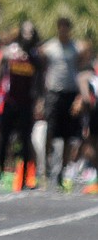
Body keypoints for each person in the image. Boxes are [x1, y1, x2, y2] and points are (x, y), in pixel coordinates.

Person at [0, 21, 42, 185]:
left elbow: (40, 80)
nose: (28, 35)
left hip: (27, 102)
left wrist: (39, 101)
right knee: (3, 137)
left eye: (31, 32)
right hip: (9, 101)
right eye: (25, 32)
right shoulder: (9, 53)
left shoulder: (35, 57)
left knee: (25, 140)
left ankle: (26, 176)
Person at [40, 17, 85, 187]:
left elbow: (80, 70)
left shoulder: (75, 49)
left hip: (70, 93)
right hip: (54, 93)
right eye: (61, 28)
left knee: (68, 135)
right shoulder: (50, 48)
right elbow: (42, 69)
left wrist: (79, 97)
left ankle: (63, 169)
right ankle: (47, 164)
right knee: (50, 130)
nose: (63, 31)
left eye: (66, 28)